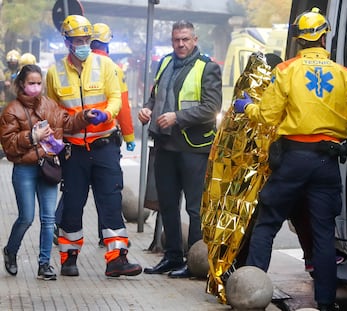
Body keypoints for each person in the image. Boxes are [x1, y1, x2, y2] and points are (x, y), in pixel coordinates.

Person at [233, 8, 347, 311]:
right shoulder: (344, 74)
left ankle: (252, 294)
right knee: (323, 234)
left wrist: (246, 107)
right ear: (325, 35)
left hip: (292, 159)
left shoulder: (287, 70)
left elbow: (266, 116)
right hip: (326, 162)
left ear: (299, 39)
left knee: (267, 224)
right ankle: (326, 303)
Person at [46, 14, 142, 278]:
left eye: (87, 39)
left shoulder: (106, 66)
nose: (84, 44)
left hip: (105, 146)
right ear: (67, 41)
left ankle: (117, 259)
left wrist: (107, 115)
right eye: (79, 40)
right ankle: (69, 257)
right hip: (73, 150)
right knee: (73, 203)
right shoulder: (55, 73)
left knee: (111, 200)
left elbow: (116, 99)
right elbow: (52, 112)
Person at [0, 64, 100, 280]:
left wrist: (84, 116)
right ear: (21, 84)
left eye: (38, 83)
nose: (35, 87)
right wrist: (32, 137)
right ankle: (11, 250)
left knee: (48, 219)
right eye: (31, 83)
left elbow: (68, 123)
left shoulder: (50, 105)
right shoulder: (11, 110)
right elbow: (8, 145)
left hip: (48, 168)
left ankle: (44, 264)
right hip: (25, 169)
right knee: (26, 217)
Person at [138, 20, 222, 278]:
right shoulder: (165, 62)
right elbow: (155, 95)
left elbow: (212, 107)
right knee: (167, 204)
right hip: (165, 145)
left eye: (185, 39)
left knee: (195, 208)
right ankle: (172, 256)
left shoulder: (207, 68)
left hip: (193, 148)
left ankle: (194, 261)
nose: (181, 44)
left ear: (195, 40)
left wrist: (178, 116)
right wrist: (147, 109)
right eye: (176, 40)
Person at [90, 22, 136, 247]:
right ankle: (106, 235)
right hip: (106, 137)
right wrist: (129, 137)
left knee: (76, 190)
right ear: (108, 42)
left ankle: (59, 225)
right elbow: (124, 107)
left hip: (80, 139)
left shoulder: (82, 65)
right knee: (108, 190)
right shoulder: (114, 68)